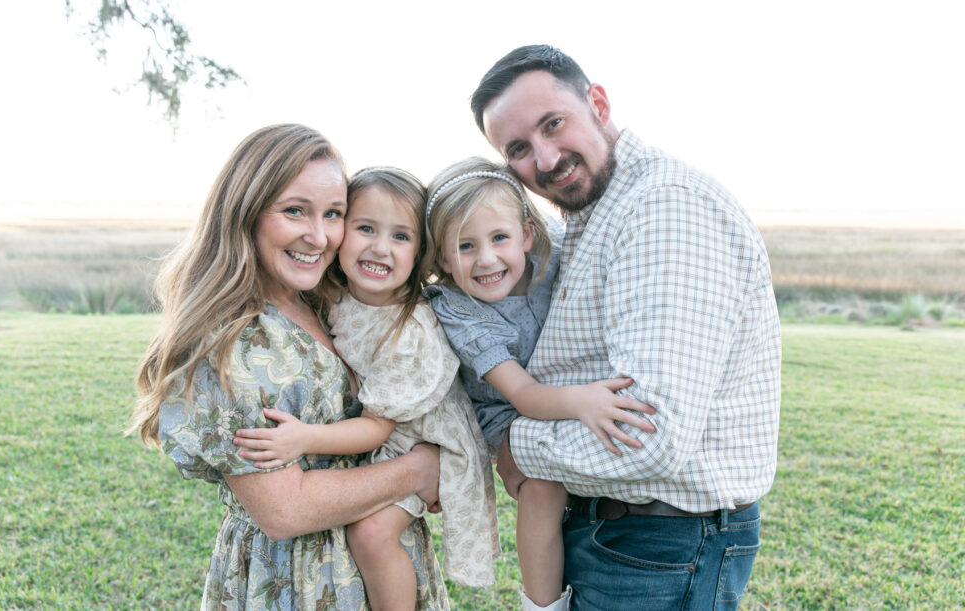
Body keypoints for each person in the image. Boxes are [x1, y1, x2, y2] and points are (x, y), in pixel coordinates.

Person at [470, 45, 783, 610]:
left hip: (663, 545)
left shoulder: (663, 208)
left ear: (599, 102)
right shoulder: (595, 215)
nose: (544, 158)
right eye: (518, 148)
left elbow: (649, 436)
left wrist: (517, 445)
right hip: (621, 536)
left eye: (553, 124)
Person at [129, 125, 449, 610]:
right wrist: (419, 470)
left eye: (334, 214)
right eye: (295, 210)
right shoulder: (230, 341)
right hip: (296, 580)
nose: (318, 236)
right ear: (246, 212)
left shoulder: (327, 301)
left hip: (381, 556)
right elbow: (285, 509)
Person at [232, 167, 500, 609]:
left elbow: (377, 428)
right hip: (388, 437)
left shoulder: (408, 332)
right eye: (365, 228)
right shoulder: (331, 293)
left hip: (424, 440)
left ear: (421, 253)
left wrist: (304, 436)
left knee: (372, 534)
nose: (380, 247)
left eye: (401, 236)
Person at [421, 157, 657, 611]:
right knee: (543, 489)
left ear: (526, 235)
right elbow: (523, 394)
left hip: (564, 386)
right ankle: (542, 604)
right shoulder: (457, 309)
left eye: (499, 238)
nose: (486, 259)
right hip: (506, 411)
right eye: (465, 246)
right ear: (443, 261)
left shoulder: (554, 265)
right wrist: (581, 401)